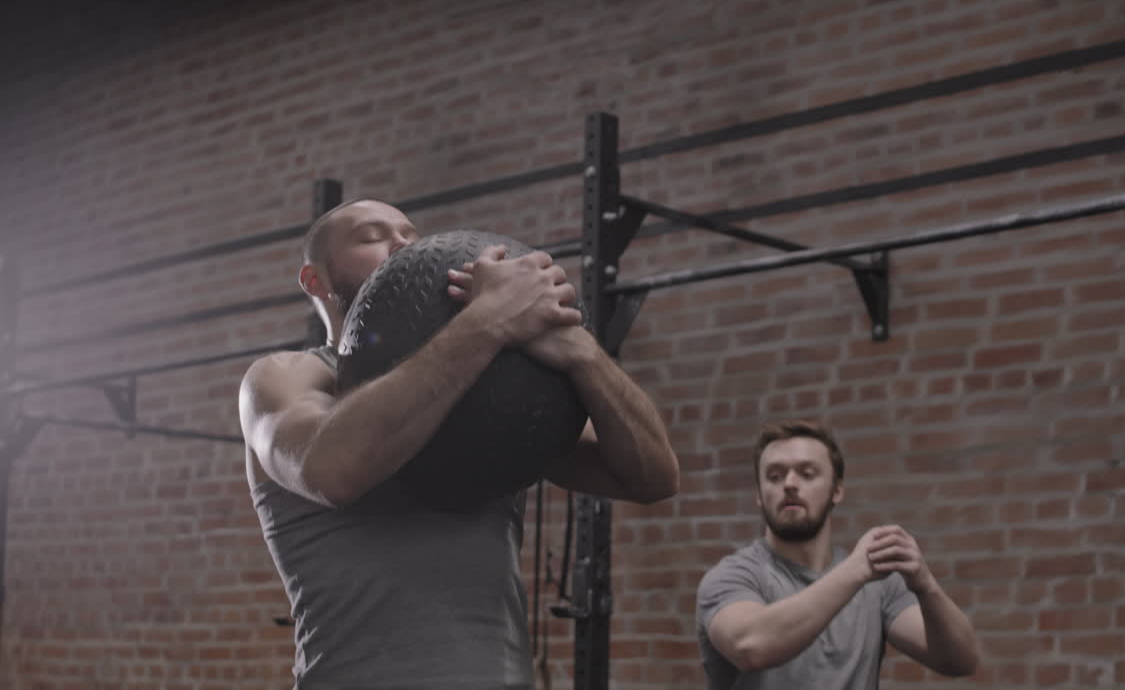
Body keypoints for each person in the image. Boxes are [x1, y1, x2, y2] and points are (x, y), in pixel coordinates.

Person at [237, 198, 680, 689]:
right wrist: (486, 322)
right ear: (314, 280)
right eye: (371, 236)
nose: (402, 244)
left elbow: (652, 477)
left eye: (410, 234)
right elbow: (332, 470)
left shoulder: (482, 372)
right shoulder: (284, 378)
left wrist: (583, 353)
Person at [695, 420, 977, 689]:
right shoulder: (732, 577)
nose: (789, 484)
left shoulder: (877, 584)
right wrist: (856, 570)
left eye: (807, 473)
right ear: (759, 494)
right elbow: (750, 647)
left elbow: (960, 660)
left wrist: (926, 586)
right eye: (774, 476)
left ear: (837, 490)